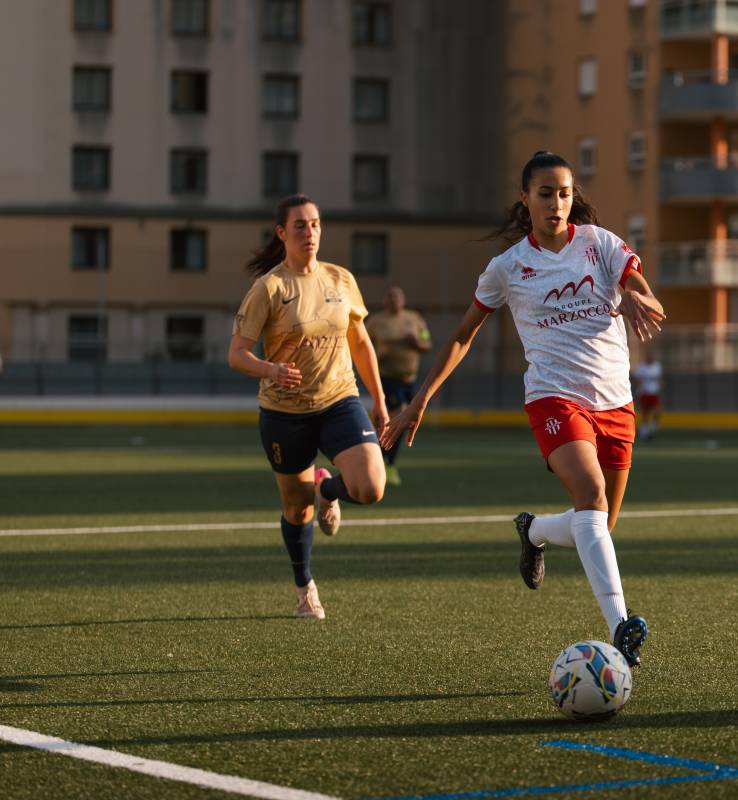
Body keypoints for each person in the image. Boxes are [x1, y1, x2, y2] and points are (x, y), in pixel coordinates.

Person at [381, 151, 665, 667]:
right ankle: (622, 628)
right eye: (545, 193)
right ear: (525, 200)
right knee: (592, 496)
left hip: (616, 403)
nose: (557, 203)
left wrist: (632, 297)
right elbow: (464, 335)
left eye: (564, 193)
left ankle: (533, 530)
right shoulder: (508, 268)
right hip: (554, 398)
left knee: (596, 524)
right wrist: (419, 401)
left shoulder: (600, 244)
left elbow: (649, 299)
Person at [228, 194, 388, 619]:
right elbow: (236, 354)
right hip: (285, 413)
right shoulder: (269, 288)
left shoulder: (341, 279)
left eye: (315, 224)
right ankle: (304, 588)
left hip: (339, 400)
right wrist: (270, 370)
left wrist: (380, 398)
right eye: (300, 225)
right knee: (295, 509)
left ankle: (327, 490)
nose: (310, 232)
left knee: (371, 486)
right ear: (282, 233)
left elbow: (360, 341)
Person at [366, 286, 432, 486]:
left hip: (409, 379)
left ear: (403, 299)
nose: (394, 299)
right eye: (390, 296)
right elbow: (362, 349)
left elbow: (426, 343)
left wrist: (416, 343)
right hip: (387, 379)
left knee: (401, 423)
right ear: (385, 300)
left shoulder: (414, 319)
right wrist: (379, 355)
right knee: (400, 413)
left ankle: (384, 461)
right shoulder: (376, 322)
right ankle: (380, 461)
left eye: (397, 296)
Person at [631, 348, 663, 441]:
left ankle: (652, 428)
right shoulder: (642, 367)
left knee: (657, 411)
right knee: (645, 413)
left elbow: (659, 379)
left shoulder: (657, 366)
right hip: (644, 393)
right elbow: (638, 379)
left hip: (654, 392)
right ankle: (644, 433)